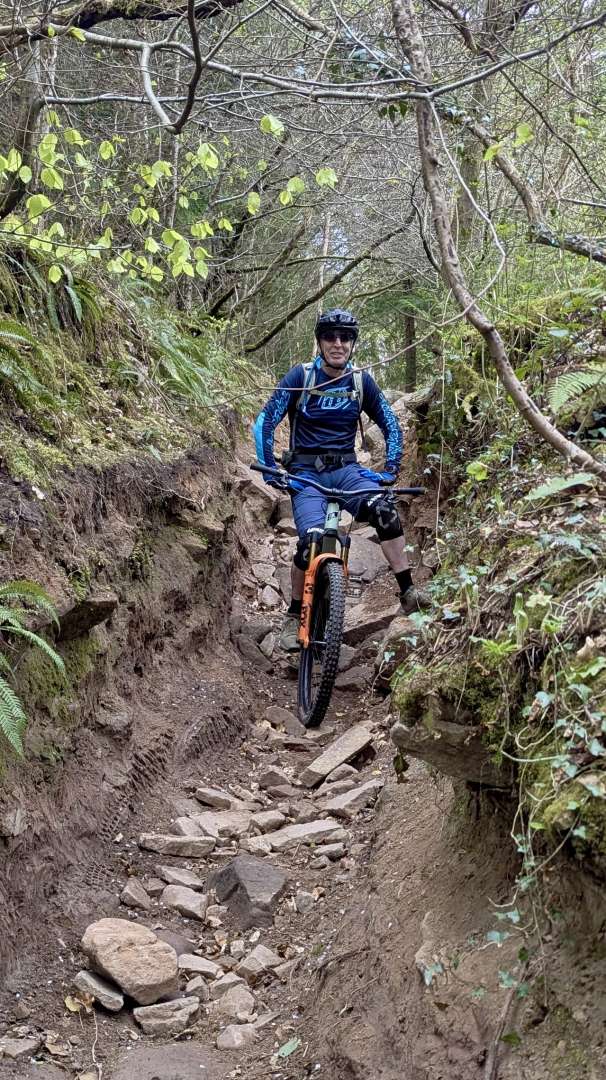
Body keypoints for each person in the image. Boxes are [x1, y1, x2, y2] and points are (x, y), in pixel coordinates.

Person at [253, 307, 430, 651]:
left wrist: (390, 470)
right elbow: (265, 421)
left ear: (352, 343)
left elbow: (391, 424)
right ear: (320, 342)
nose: (338, 343)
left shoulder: (361, 382)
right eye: (330, 336)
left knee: (385, 511)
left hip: (348, 471)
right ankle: (293, 614)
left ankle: (408, 591)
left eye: (345, 337)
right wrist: (272, 471)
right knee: (309, 543)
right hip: (306, 475)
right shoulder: (301, 377)